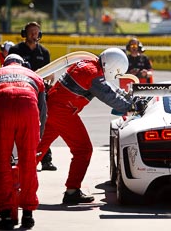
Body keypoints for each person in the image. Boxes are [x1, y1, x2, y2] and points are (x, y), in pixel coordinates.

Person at [36, 47, 145, 204]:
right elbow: (108, 95)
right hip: (63, 112)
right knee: (83, 150)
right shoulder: (93, 74)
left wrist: (127, 98)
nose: (115, 75)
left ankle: (14, 185)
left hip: (52, 108)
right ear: (113, 66)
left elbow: (109, 87)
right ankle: (72, 191)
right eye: (116, 72)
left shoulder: (87, 64)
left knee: (37, 150)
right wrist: (131, 105)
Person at [0, 54, 47, 229]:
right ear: (23, 64)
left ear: (5, 64)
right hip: (28, 109)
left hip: (2, 107)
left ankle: (5, 214)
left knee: (2, 162)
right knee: (28, 162)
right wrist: (39, 136)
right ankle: (28, 214)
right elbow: (43, 111)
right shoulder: (34, 76)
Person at [9, 21, 57, 171]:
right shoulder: (15, 50)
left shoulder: (44, 52)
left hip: (39, 92)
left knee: (43, 124)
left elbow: (50, 75)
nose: (34, 35)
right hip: (20, 92)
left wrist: (49, 79)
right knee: (17, 125)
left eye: (36, 32)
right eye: (31, 32)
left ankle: (45, 159)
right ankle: (14, 157)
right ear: (25, 34)